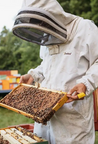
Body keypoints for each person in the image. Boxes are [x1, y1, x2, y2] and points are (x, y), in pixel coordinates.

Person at [12, 0, 98, 143]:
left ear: (51, 15)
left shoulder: (85, 28)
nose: (40, 28)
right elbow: (46, 65)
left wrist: (85, 83)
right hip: (43, 115)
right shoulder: (47, 37)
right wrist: (33, 75)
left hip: (72, 119)